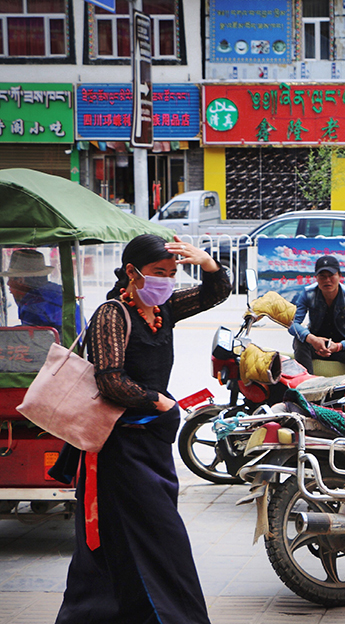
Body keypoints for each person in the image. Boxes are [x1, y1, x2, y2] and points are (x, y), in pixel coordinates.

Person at [55, 234, 231, 624]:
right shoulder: (112, 314)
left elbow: (215, 293)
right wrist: (159, 401)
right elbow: (110, 380)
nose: (166, 281)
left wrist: (207, 263)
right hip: (119, 447)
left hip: (153, 444)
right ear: (132, 272)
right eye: (158, 272)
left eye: (171, 273)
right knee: (155, 534)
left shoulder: (163, 309)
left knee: (147, 534)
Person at [289, 254, 345, 374]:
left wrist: (339, 346)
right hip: (316, 346)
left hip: (343, 348)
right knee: (299, 341)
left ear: (339, 276)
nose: (327, 280)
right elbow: (293, 325)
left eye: (331, 275)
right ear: (316, 278)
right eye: (322, 276)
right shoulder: (308, 293)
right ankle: (306, 382)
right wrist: (312, 339)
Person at [1, 248, 63, 328]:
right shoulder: (58, 292)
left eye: (10, 278)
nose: (8, 283)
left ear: (21, 280)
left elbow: (32, 334)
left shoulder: (33, 306)